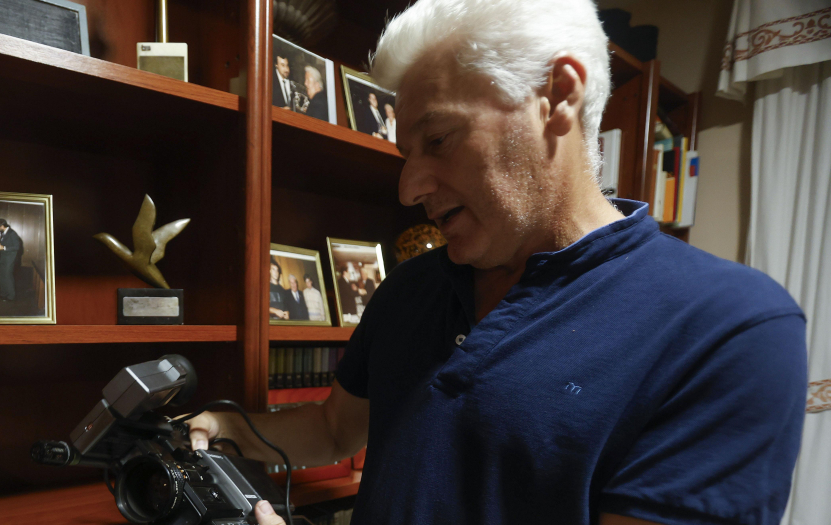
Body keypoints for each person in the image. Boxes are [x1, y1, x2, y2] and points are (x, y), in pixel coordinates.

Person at [188, 1, 807, 524]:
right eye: (407, 153)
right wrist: (231, 428)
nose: (408, 189)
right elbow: (333, 430)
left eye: (438, 140)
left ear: (558, 96)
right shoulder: (410, 288)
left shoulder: (733, 330)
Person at [0, 218, 22, 302]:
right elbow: (5, 243)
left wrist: (4, 248)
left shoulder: (12, 233)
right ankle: (3, 294)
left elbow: (17, 247)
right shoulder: (4, 233)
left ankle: (11, 296)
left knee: (8, 276)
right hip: (4, 257)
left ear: (2, 226)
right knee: (2, 276)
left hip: (10, 258)